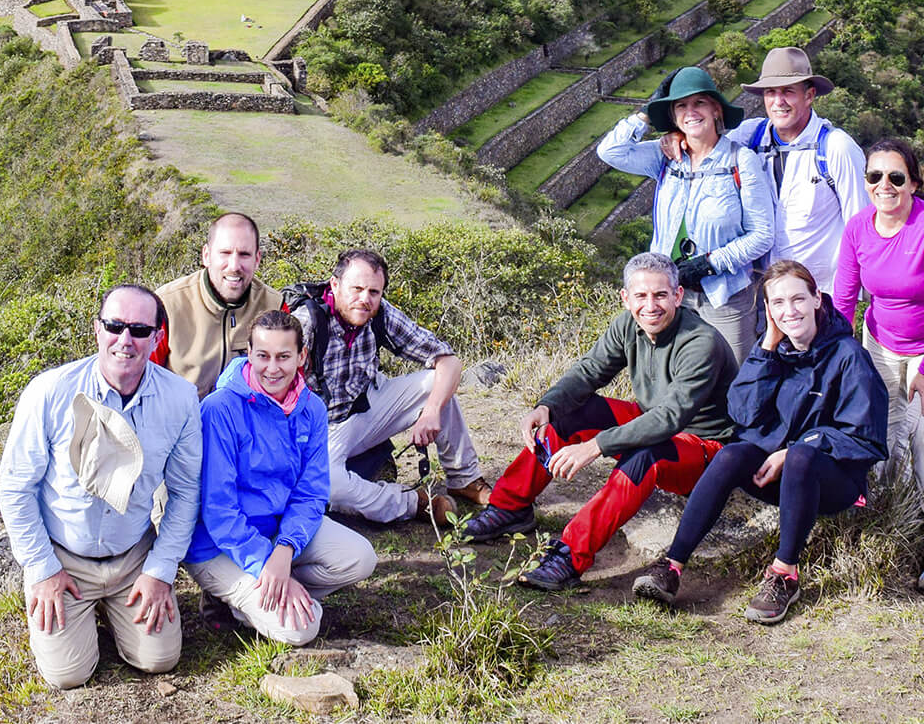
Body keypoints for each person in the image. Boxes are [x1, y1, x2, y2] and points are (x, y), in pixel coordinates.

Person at [462, 253, 737, 591]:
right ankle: (510, 507)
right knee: (570, 413)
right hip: (650, 419)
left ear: (678, 296)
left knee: (645, 456)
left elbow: (670, 418)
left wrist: (595, 447)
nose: (650, 305)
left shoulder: (700, 342)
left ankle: (571, 554)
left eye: (661, 295)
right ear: (626, 298)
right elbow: (589, 371)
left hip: (704, 447)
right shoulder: (628, 326)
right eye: (640, 296)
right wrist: (546, 406)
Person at [634, 260, 888, 623]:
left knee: (801, 456)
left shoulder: (848, 356)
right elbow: (742, 411)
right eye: (778, 303)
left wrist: (800, 448)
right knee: (733, 455)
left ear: (817, 299)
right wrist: (767, 346)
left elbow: (864, 437)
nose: (790, 311)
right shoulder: (775, 349)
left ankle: (784, 575)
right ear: (768, 309)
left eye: (798, 299)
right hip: (778, 478)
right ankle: (672, 566)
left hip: (833, 482)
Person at [0, 285, 202, 689]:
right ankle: (76, 608)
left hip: (133, 557)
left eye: (140, 330)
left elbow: (184, 492)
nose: (125, 340)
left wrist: (160, 571)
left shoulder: (180, 398)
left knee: (160, 659)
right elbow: (15, 487)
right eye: (114, 326)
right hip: (64, 556)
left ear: (158, 337)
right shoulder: (49, 392)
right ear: (97, 330)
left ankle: (113, 607)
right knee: (67, 675)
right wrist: (42, 570)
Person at [184, 311, 377, 644]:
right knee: (301, 629)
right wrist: (264, 563)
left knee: (360, 558)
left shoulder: (312, 408)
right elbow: (219, 510)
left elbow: (311, 493)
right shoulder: (220, 409)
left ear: (301, 356)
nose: (272, 368)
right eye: (263, 356)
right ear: (249, 354)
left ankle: (259, 598)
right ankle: (245, 597)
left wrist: (285, 550)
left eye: (283, 356)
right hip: (217, 544)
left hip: (278, 531)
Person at [289, 248, 490, 525]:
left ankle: (464, 478)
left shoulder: (379, 313)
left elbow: (449, 361)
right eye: (356, 289)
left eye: (374, 292)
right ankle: (414, 503)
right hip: (316, 431)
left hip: (362, 409)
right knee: (330, 486)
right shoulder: (306, 323)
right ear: (334, 285)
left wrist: (431, 411)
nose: (365, 299)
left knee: (436, 384)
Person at [598, 67, 775, 363]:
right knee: (675, 373)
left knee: (732, 376)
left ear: (716, 109)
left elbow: (761, 234)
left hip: (725, 295)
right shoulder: (665, 156)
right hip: (670, 296)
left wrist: (710, 263)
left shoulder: (740, 160)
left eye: (699, 103)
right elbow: (610, 151)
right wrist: (644, 114)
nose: (691, 112)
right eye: (681, 105)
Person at [834, 138, 924, 569]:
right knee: (886, 435)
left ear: (913, 182)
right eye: (875, 176)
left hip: (923, 350)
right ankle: (892, 520)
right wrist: (837, 352)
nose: (884, 185)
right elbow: (844, 298)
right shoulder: (858, 228)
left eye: (895, 177)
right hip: (881, 343)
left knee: (920, 436)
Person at [734, 47, 866, 291]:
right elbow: (704, 146)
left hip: (821, 295)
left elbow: (860, 228)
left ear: (809, 95)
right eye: (770, 92)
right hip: (765, 294)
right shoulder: (751, 135)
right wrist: (677, 137)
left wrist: (847, 300)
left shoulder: (836, 147)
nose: (778, 102)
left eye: (788, 92)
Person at [154, 212, 282, 399]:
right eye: (225, 253)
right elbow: (144, 383)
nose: (234, 265)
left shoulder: (274, 306)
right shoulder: (166, 304)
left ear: (257, 259)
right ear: (206, 256)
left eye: (244, 254)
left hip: (247, 423)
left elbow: (287, 381)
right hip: (179, 423)